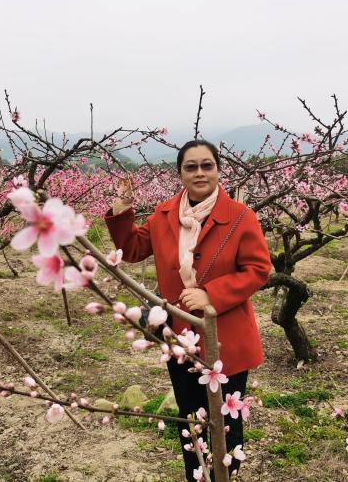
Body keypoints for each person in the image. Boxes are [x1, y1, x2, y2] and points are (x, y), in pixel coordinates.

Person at [104, 139, 271, 481]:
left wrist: (211, 294)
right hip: (179, 337)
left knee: (227, 421)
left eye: (206, 165)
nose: (199, 173)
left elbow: (258, 268)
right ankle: (196, 475)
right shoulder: (165, 215)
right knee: (191, 419)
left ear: (218, 169)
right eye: (191, 166)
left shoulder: (240, 217)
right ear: (180, 173)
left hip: (227, 338)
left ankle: (225, 476)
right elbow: (134, 249)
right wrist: (121, 212)